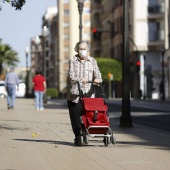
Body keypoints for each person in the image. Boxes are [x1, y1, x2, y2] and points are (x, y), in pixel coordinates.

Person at [66, 41, 102, 145]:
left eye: (84, 49)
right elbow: (71, 76)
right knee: (75, 117)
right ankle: (78, 136)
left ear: (88, 50)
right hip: (75, 94)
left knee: (88, 115)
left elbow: (98, 73)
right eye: (80, 49)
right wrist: (81, 79)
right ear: (77, 50)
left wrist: (98, 79)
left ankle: (86, 131)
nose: (82, 51)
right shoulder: (73, 60)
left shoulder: (92, 61)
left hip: (89, 94)